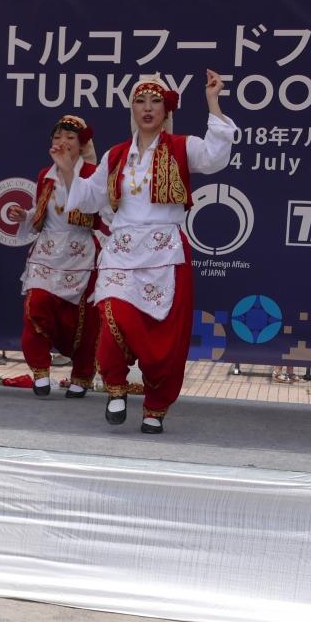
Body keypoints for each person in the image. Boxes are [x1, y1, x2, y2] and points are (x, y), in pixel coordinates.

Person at [63, 71, 234, 433]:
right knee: (112, 312)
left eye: (155, 101)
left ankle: (155, 406)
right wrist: (67, 171)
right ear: (132, 109)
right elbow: (89, 198)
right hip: (122, 250)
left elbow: (216, 157)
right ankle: (115, 386)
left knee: (163, 338)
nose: (147, 108)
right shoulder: (116, 155)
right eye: (140, 101)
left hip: (164, 252)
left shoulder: (182, 146)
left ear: (166, 110)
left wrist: (213, 101)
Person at [3, 114, 104, 398]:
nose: (63, 142)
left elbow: (99, 212)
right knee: (36, 304)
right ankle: (40, 370)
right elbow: (43, 213)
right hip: (47, 251)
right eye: (58, 137)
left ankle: (81, 375)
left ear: (82, 144)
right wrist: (25, 216)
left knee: (82, 321)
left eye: (70, 138)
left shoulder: (93, 174)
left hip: (80, 252)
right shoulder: (44, 176)